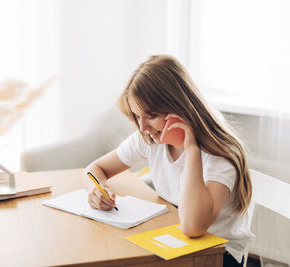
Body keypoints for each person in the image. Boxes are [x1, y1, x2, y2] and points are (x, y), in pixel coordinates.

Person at [83, 55, 253, 267]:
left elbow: (193, 226)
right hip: (176, 238)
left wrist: (191, 149)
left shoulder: (219, 154)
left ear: (180, 108)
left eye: (151, 115)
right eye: (137, 116)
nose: (142, 126)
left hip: (218, 255)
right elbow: (93, 169)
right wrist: (95, 190)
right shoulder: (150, 138)